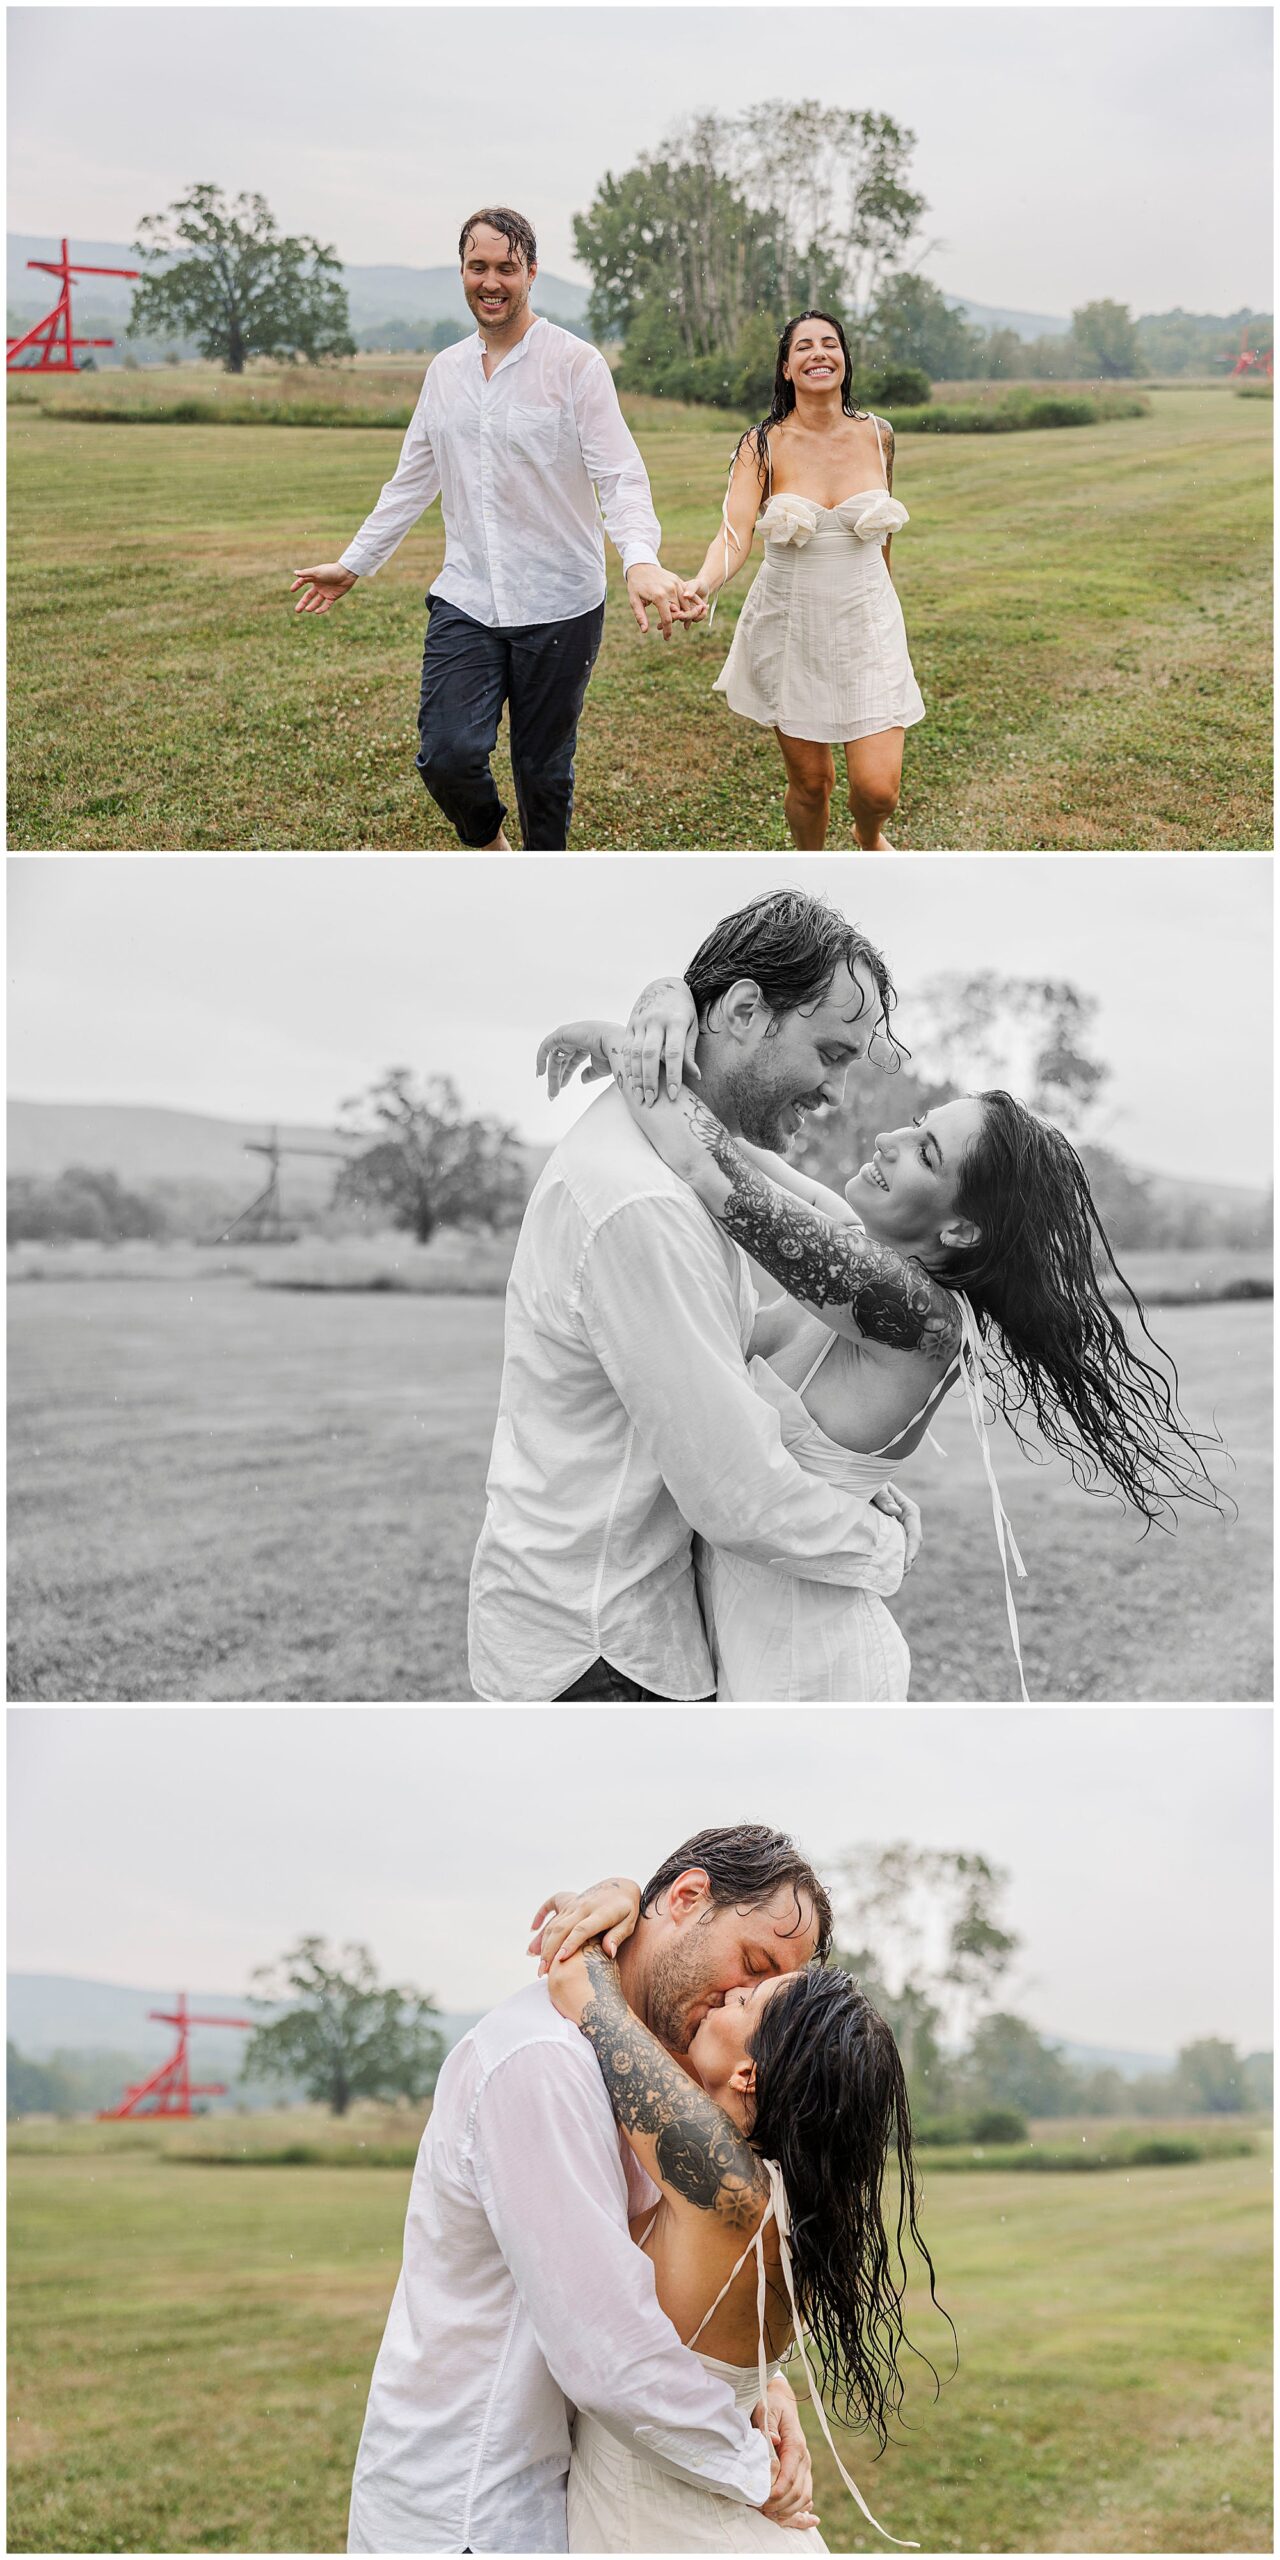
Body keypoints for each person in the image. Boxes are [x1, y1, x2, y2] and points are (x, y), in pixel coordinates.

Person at [538, 969, 1224, 1702]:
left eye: (927, 1153)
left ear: (959, 1228)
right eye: (918, 1126)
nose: (893, 1139)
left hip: (818, 1668)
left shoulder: (917, 1312)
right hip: (747, 1652)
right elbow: (732, 1141)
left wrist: (623, 1042)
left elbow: (707, 1163)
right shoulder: (853, 1248)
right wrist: (662, 1007)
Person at [467, 890, 923, 1703]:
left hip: (605, 1625)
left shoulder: (675, 1158)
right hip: (603, 1647)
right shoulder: (646, 1201)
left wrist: (647, 1013)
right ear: (745, 1009)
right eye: (830, 1053)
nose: (836, 1093)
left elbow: (726, 1351)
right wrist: (882, 1547)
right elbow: (735, 1494)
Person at [345, 1826, 833, 2553]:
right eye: (752, 1964)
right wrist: (748, 2465)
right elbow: (606, 2350)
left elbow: (681, 2275)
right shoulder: (544, 2063)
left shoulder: (651, 2069)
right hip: (475, 2509)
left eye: (762, 1993)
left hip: (562, 2500)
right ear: (689, 1896)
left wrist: (756, 2382)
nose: (740, 2000)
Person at [531, 1866, 948, 2556]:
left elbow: (581, 1982)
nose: (726, 1994)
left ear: (749, 2072)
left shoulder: (725, 2180)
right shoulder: (796, 2197)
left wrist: (624, 1896)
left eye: (746, 1998)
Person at [290, 207, 700, 851]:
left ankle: (544, 883)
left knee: (542, 772)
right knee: (447, 755)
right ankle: (490, 849)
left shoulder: (575, 364)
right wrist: (355, 562)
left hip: (561, 602)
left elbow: (620, 475)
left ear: (531, 273)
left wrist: (640, 559)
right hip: (468, 596)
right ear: (462, 271)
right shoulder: (444, 372)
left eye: (506, 267)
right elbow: (411, 480)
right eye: (478, 266)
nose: (491, 281)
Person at [687, 312, 925, 851]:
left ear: (844, 359)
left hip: (868, 621)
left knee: (878, 788)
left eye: (830, 344)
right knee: (812, 785)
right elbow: (733, 534)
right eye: (804, 348)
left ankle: (868, 837)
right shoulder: (761, 444)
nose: (819, 354)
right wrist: (703, 584)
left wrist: (883, 603)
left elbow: (883, 532)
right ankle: (810, 874)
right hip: (792, 624)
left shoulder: (879, 435)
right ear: (787, 368)